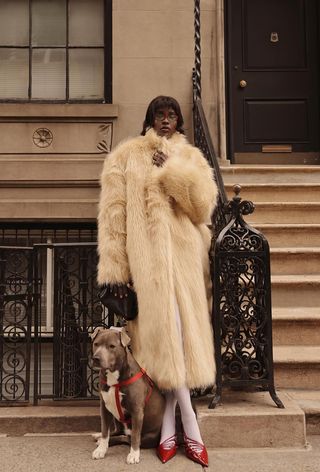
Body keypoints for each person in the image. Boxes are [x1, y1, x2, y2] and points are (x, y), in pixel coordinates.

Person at [97, 95, 218, 467]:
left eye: (172, 116)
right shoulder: (125, 156)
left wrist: (172, 172)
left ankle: (171, 429)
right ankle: (189, 432)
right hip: (146, 272)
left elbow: (202, 208)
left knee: (179, 342)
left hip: (184, 268)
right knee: (161, 346)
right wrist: (116, 272)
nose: (166, 121)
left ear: (180, 121)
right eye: (159, 115)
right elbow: (114, 217)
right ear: (149, 118)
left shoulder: (192, 158)